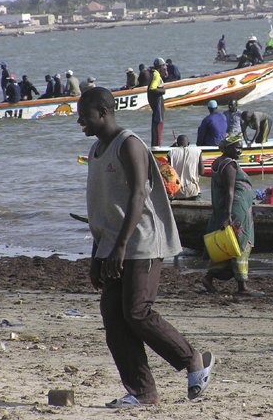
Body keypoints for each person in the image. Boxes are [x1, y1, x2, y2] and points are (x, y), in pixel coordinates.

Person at [77, 87, 213, 406]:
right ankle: (142, 392)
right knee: (113, 318)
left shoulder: (129, 144)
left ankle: (194, 360)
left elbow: (139, 195)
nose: (79, 120)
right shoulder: (97, 151)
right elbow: (102, 208)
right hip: (112, 245)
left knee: (136, 312)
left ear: (103, 113)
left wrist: (121, 247)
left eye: (84, 115)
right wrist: (98, 254)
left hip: (142, 242)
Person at [201, 134, 258, 295]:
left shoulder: (217, 162)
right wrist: (229, 215)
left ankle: (209, 278)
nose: (240, 150)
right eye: (237, 147)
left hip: (225, 209)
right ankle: (242, 286)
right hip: (235, 211)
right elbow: (230, 190)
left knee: (227, 245)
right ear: (227, 148)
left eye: (241, 147)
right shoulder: (230, 164)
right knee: (240, 244)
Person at [168, 135, 204, 201]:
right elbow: (202, 172)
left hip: (177, 191)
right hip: (192, 190)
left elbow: (168, 175)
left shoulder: (171, 153)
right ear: (189, 143)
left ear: (177, 144)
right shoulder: (197, 151)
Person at [148, 58, 166, 147]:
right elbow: (152, 89)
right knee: (158, 125)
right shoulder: (156, 75)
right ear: (160, 66)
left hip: (157, 104)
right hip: (158, 104)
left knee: (156, 125)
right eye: (164, 66)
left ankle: (155, 145)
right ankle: (156, 147)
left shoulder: (154, 74)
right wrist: (163, 91)